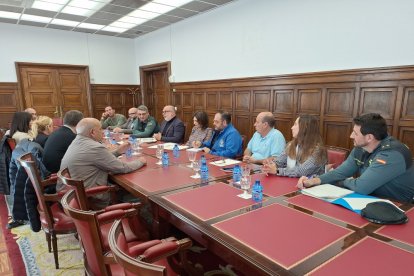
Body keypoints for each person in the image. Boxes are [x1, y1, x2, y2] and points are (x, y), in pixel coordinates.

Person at [297, 113, 414, 203]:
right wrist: (313, 181)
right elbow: (341, 172)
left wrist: (340, 182)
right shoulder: (360, 147)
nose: (351, 136)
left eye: (355, 133)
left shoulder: (392, 154)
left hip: (400, 206)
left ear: (369, 137)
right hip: (373, 200)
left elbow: (362, 187)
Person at [58, 118, 146, 209]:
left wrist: (118, 152)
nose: (103, 132)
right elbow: (122, 168)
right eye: (100, 129)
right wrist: (140, 161)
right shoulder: (94, 147)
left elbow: (96, 158)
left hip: (70, 197)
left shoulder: (77, 141)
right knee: (139, 197)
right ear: (92, 132)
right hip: (88, 201)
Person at [262, 115, 327, 177]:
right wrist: (269, 166)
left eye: (295, 124)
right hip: (291, 182)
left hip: (311, 186)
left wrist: (278, 171)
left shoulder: (318, 150)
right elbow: (279, 162)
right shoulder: (291, 145)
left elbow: (302, 171)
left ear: (305, 128)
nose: (292, 127)